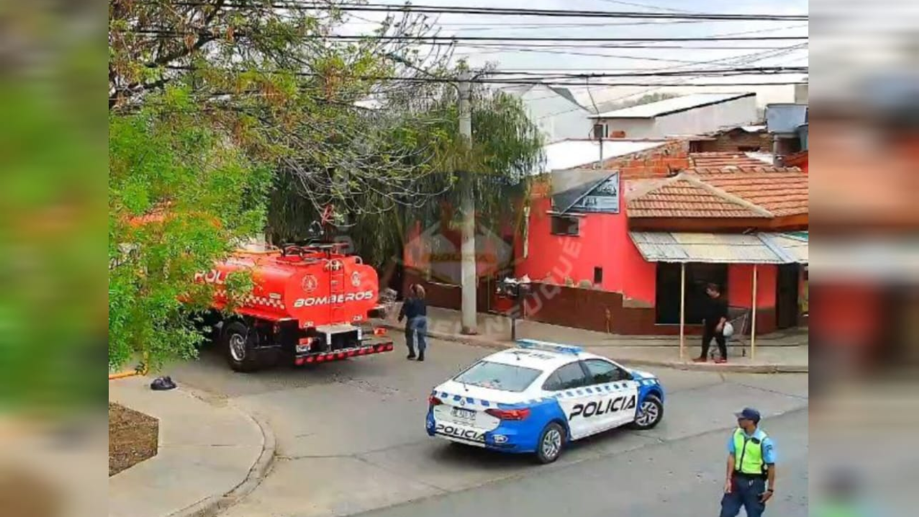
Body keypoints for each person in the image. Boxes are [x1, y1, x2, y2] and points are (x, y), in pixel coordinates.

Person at [720, 408, 777, 517]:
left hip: (754, 484)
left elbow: (771, 465)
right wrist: (728, 479)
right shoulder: (737, 434)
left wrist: (770, 489)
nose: (738, 421)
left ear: (751, 422)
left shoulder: (763, 441)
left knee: (754, 513)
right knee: (726, 513)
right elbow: (732, 455)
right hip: (736, 479)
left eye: (742, 419)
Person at [696, 282, 729, 363]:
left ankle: (724, 357)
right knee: (705, 340)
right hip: (709, 323)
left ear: (714, 291)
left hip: (717, 323)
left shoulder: (722, 301)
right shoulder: (709, 300)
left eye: (709, 291)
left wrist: (720, 324)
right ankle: (703, 357)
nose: (708, 293)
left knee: (720, 341)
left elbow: (724, 314)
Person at [397, 284, 428, 361]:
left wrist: (400, 318)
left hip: (413, 318)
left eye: (410, 290)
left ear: (413, 291)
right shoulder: (422, 299)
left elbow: (404, 309)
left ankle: (412, 352)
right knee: (421, 336)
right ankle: (421, 354)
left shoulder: (409, 299)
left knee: (409, 336)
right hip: (422, 319)